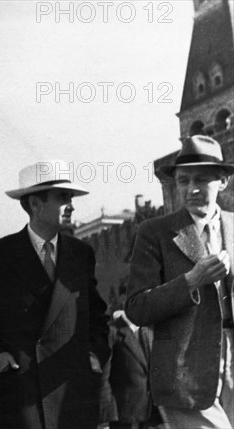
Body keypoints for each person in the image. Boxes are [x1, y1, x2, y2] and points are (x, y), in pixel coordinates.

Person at [0, 160, 110, 429]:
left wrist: (94, 354)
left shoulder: (81, 254)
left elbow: (97, 317)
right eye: (63, 197)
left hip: (72, 391)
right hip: (21, 393)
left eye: (71, 197)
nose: (72, 205)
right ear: (35, 204)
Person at [126, 135, 234, 428]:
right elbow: (136, 307)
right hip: (186, 377)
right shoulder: (155, 232)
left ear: (223, 181)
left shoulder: (233, 226)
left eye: (202, 180)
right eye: (183, 181)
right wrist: (191, 281)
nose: (192, 189)